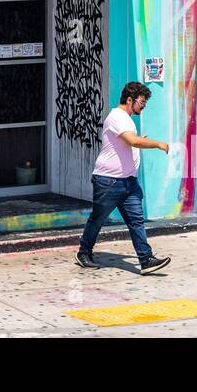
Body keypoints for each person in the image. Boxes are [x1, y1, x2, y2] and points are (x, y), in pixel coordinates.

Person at [76, 81, 171, 275]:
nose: (143, 106)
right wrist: (157, 144)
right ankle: (84, 252)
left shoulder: (126, 119)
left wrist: (138, 141)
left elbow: (128, 143)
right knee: (97, 219)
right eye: (141, 102)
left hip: (128, 182)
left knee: (136, 221)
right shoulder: (117, 117)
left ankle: (146, 260)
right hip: (108, 181)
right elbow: (132, 141)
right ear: (130, 100)